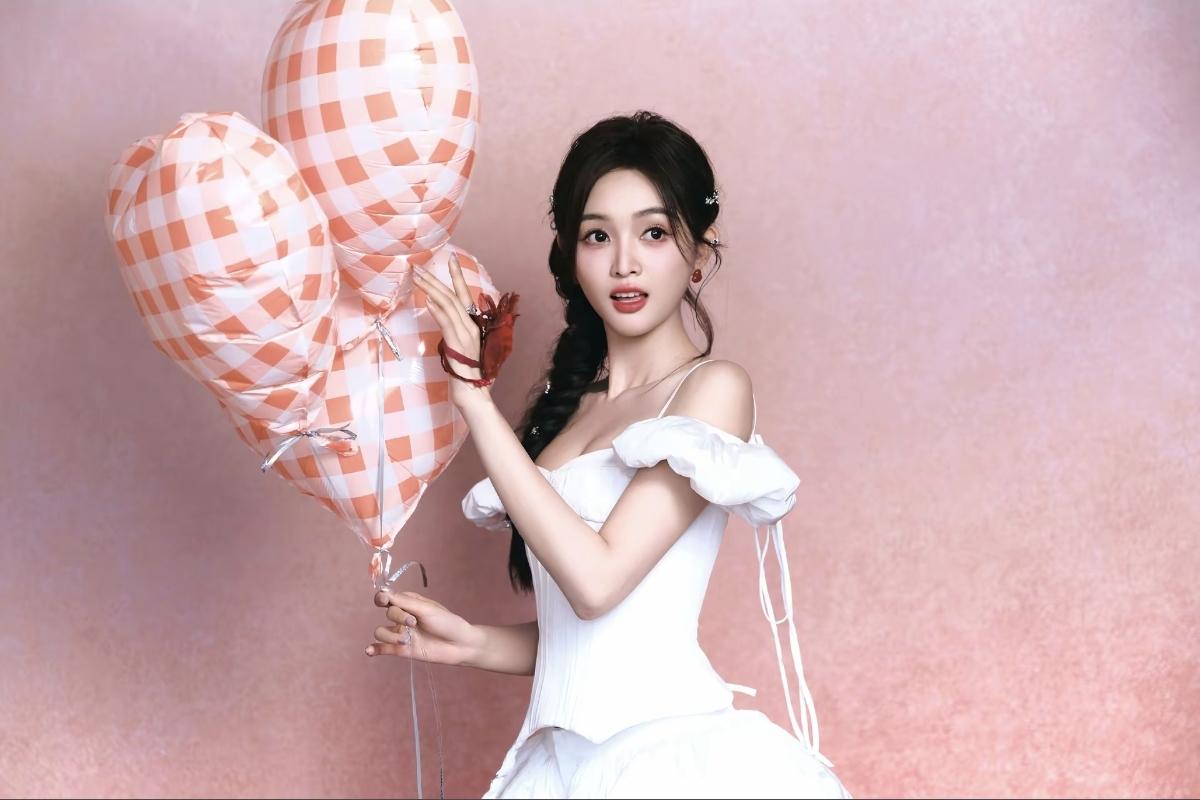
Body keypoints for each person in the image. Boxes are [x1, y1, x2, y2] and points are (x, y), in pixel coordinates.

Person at [365, 110, 852, 799]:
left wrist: (473, 398)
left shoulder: (711, 390)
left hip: (670, 764)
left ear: (700, 253)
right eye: (598, 235)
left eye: (653, 233)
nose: (625, 263)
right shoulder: (566, 414)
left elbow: (598, 583)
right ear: (571, 255)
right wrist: (471, 641)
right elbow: (602, 636)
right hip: (556, 770)